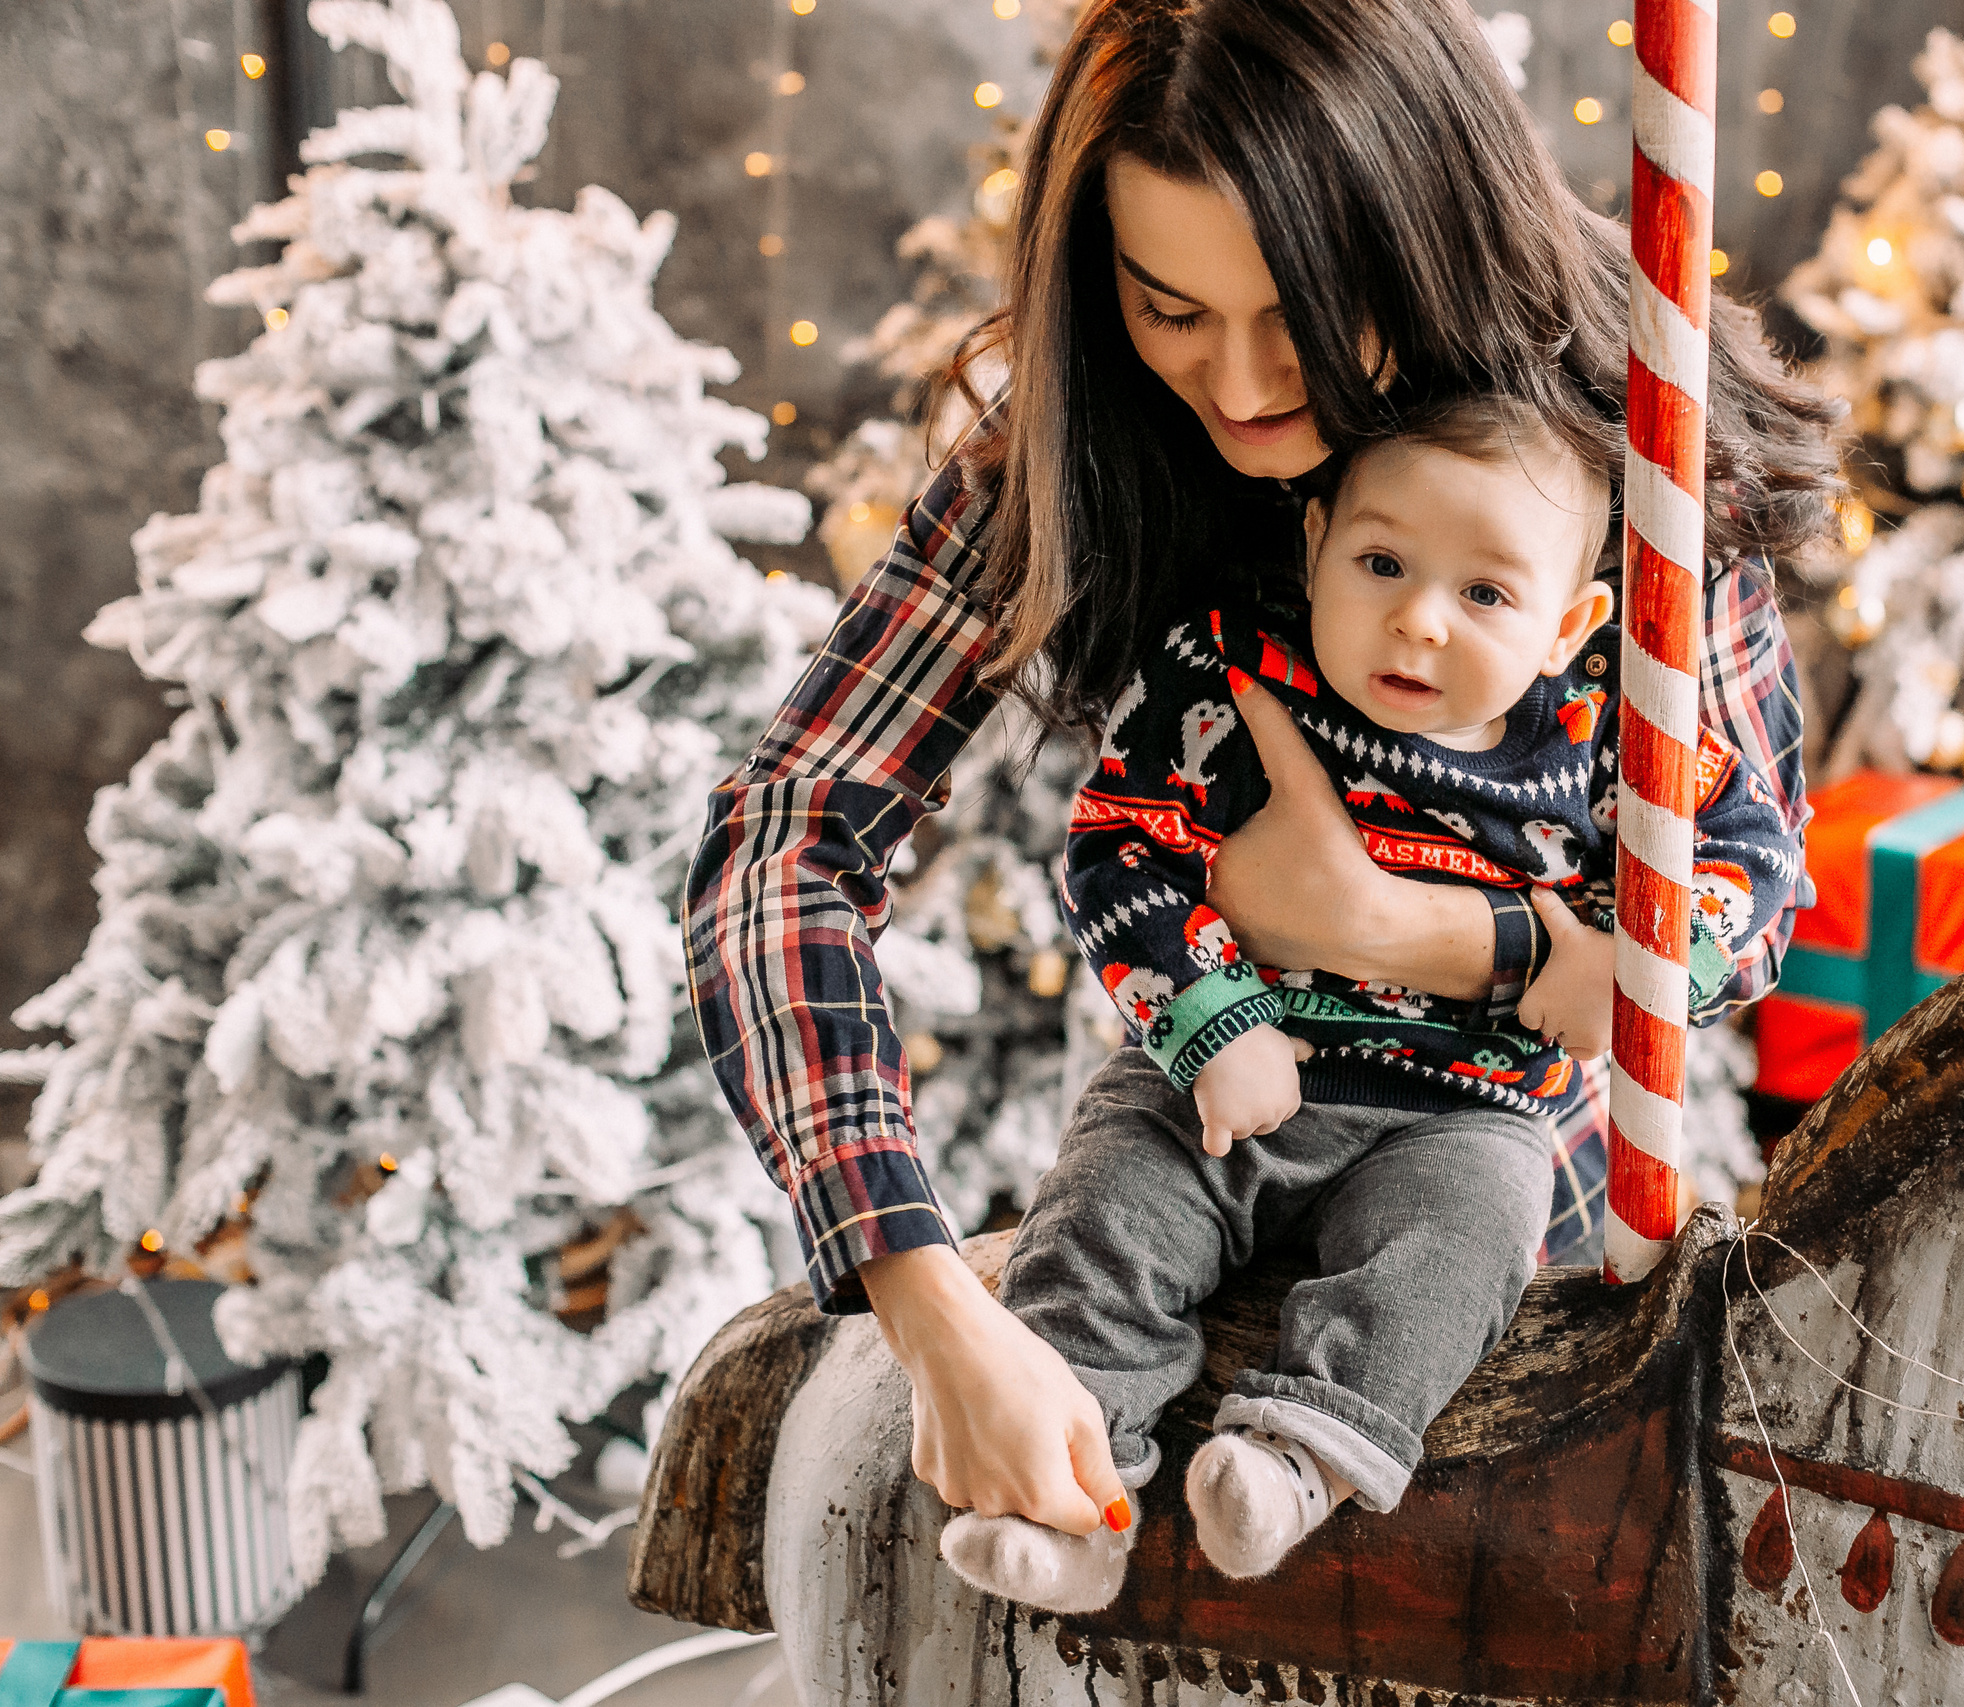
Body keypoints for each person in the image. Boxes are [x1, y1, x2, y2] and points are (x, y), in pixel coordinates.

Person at [685, 0, 1840, 1563]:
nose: (1234, 385)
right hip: (1204, 1173)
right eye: (1170, 308)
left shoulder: (1631, 441)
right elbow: (784, 841)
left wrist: (1415, 934)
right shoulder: (1087, 436)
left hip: (1524, 1229)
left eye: (1294, 314)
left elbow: (1744, 881)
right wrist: (928, 1301)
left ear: (1419, 237)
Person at [934, 394, 1798, 1613]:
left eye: (1486, 596)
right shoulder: (1232, 676)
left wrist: (1650, 968)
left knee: (1466, 1245)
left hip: (1457, 1112)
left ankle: (1300, 1458)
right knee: (1104, 1216)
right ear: (1315, 543)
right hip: (1227, 1093)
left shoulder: (1614, 731)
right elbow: (1122, 846)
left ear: (1571, 623)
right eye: (1380, 563)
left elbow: (1754, 857)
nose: (1418, 620)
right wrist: (1213, 1023)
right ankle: (1076, 1497)